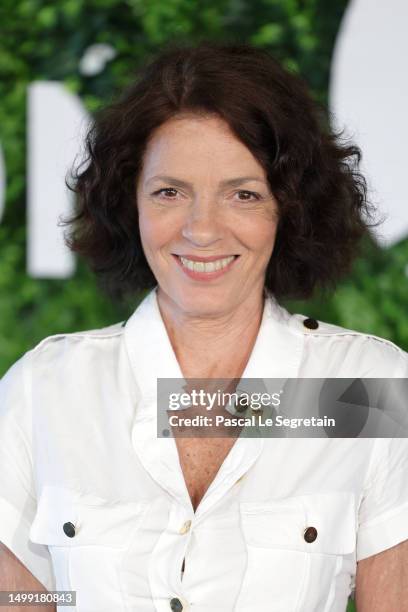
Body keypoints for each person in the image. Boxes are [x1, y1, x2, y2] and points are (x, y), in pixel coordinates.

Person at [0, 41, 407, 612]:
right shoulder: (47, 388)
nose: (202, 230)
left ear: (287, 209)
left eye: (243, 195)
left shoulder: (366, 389)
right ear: (129, 202)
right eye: (170, 192)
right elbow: (25, 600)